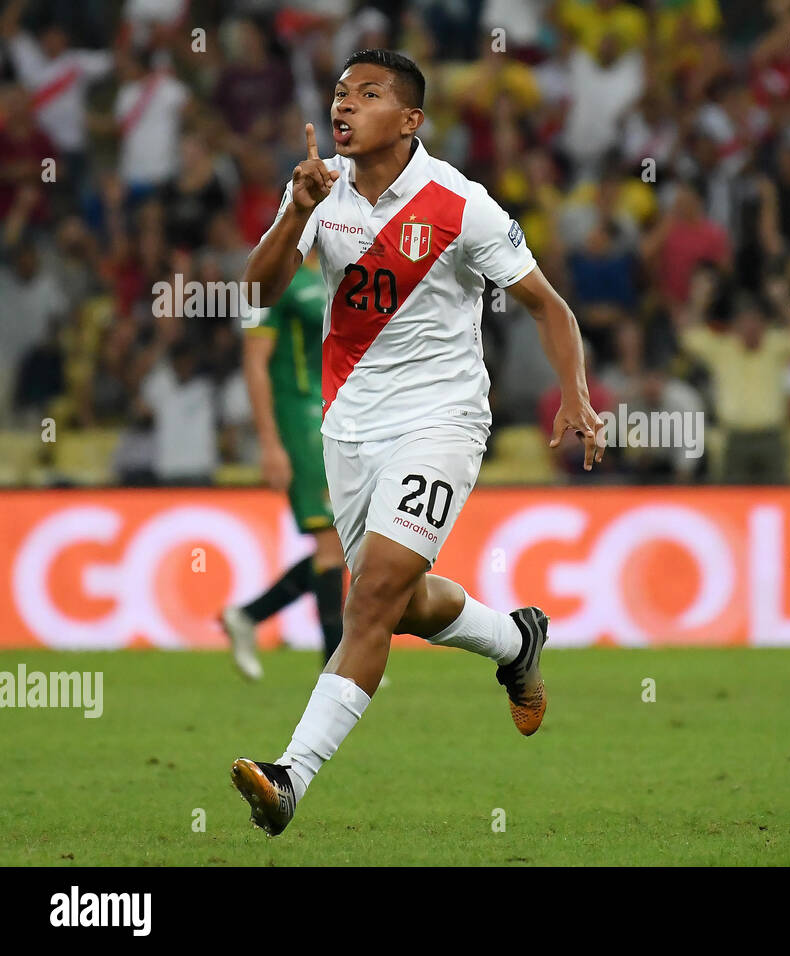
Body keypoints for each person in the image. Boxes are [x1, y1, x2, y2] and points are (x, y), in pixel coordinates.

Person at [230, 50, 604, 836]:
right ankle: (515, 638)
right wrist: (295, 213)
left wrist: (575, 394)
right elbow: (255, 295)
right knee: (394, 605)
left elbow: (546, 303)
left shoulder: (459, 205)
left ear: (409, 120)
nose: (344, 107)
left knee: (368, 601)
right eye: (338, 93)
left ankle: (290, 774)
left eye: (367, 96)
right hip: (350, 428)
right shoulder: (319, 190)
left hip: (442, 422)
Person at [218, 251, 345, 681]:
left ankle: (248, 616)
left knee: (342, 543)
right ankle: (337, 664)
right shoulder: (272, 279)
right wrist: (270, 444)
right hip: (298, 418)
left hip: (334, 414)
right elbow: (254, 362)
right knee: (332, 541)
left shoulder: (336, 269)